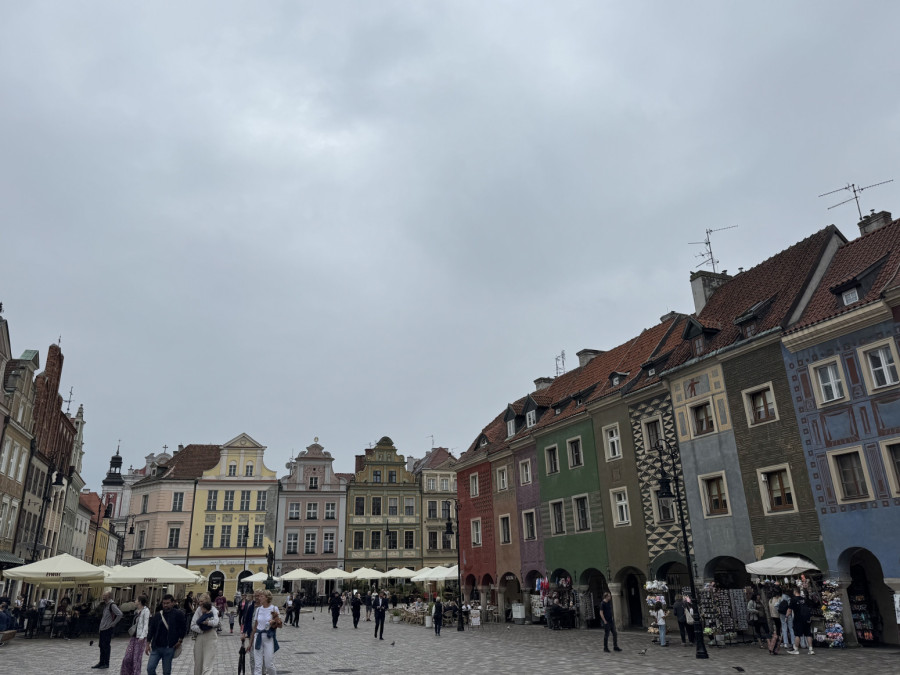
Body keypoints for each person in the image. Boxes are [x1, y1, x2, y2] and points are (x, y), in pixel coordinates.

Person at [146, 594, 186, 675]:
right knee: (150, 668)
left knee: (166, 671)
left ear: (172, 603)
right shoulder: (158, 615)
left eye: (167, 603)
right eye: (164, 603)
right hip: (156, 647)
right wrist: (148, 643)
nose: (165, 605)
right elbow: (152, 629)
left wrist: (180, 640)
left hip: (169, 647)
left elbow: (183, 628)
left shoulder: (178, 614)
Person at [249, 589, 281, 675]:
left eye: (261, 596)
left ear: (267, 598)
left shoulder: (274, 608)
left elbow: (280, 625)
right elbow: (255, 628)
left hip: (268, 638)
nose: (259, 598)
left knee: (268, 664)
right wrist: (250, 643)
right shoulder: (258, 610)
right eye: (259, 596)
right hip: (258, 637)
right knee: (258, 666)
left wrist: (273, 622)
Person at [119, 595, 150, 675]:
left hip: (140, 637)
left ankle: (136, 673)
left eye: (136, 600)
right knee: (127, 658)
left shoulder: (146, 611)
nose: (135, 601)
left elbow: (146, 624)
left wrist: (143, 636)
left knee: (136, 658)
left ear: (140, 601)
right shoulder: (136, 611)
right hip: (134, 636)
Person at [93, 591, 123, 669]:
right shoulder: (105, 605)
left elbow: (120, 614)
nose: (103, 596)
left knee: (106, 646)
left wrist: (113, 623)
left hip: (107, 628)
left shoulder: (112, 605)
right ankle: (101, 662)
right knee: (101, 646)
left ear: (109, 596)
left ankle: (106, 663)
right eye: (103, 594)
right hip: (103, 628)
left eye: (105, 595)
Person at [191, 594, 219, 675]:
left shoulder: (213, 609)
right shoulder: (198, 610)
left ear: (207, 601)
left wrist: (206, 623)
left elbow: (215, 622)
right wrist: (202, 629)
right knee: (198, 663)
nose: (200, 603)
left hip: (211, 636)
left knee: (207, 664)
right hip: (200, 636)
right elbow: (192, 625)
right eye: (199, 601)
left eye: (202, 601)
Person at [788, 588, 814, 655]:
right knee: (808, 634)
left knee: (798, 635)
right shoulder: (804, 599)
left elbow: (789, 610)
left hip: (798, 618)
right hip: (806, 618)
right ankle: (811, 649)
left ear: (795, 591)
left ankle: (796, 649)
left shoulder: (793, 599)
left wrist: (786, 616)